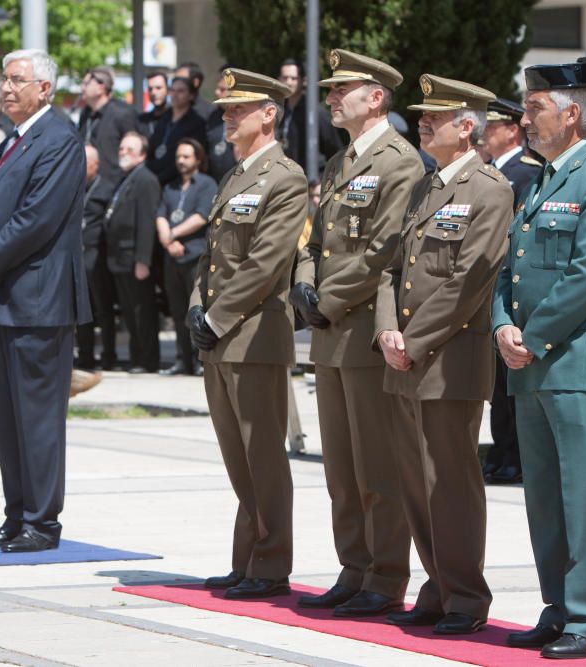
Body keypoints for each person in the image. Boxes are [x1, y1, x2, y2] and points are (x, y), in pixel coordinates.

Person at [493, 56, 586, 659]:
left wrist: (532, 336)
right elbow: (513, 268)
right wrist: (502, 323)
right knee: (545, 498)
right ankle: (559, 606)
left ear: (573, 113)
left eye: (534, 108)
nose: (524, 118)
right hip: (533, 364)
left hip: (579, 363)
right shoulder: (543, 178)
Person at [375, 74, 511, 634]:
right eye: (423, 116)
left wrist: (415, 339)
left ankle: (466, 597)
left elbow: (470, 279)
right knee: (414, 480)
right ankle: (438, 583)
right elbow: (391, 269)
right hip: (404, 355)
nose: (424, 123)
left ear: (467, 127)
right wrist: (387, 331)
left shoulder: (490, 189)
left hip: (449, 357)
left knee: (449, 481)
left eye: (437, 117)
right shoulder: (424, 188)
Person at [290, 49, 422, 616]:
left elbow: (384, 253)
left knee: (377, 467)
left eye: (341, 88)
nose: (330, 97)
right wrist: (302, 282)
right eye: (328, 89)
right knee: (341, 468)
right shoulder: (339, 162)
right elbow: (315, 241)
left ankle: (385, 576)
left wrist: (328, 297)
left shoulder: (400, 162)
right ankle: (354, 566)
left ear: (375, 98)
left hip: (366, 330)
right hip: (328, 333)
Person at [0, 49, 90, 553]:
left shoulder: (57, 140)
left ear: (45, 90)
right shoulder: (13, 140)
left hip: (37, 299)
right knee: (8, 418)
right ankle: (16, 515)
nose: (7, 88)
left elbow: (34, 220)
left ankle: (41, 521)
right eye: (4, 79)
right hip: (1, 297)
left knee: (37, 418)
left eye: (18, 80)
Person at [189, 68, 307, 599]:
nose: (228, 116)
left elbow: (265, 263)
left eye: (240, 108)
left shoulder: (284, 177)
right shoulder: (233, 176)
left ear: (269, 113)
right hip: (219, 337)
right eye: (226, 109)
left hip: (255, 335)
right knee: (238, 458)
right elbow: (213, 259)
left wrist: (214, 318)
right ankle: (247, 558)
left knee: (263, 456)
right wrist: (197, 308)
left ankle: (271, 562)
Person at [480, 98, 542, 485]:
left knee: (513, 383)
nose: (483, 133)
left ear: (511, 131)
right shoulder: (489, 172)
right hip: (494, 291)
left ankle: (515, 455)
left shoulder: (524, 172)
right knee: (497, 386)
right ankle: (500, 450)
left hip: (515, 290)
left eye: (491, 127)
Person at [156, 138, 216, 376]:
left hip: (195, 256)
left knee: (198, 309)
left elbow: (202, 216)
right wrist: (167, 240)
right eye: (178, 156)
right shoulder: (170, 187)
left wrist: (172, 234)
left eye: (186, 157)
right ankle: (183, 359)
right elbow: (160, 214)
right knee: (178, 309)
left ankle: (201, 359)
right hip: (172, 257)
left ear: (198, 159)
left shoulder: (206, 184)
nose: (181, 161)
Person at [105, 132, 161, 373]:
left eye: (129, 149)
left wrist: (143, 260)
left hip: (134, 258)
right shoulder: (126, 178)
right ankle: (137, 356)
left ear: (142, 154)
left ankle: (147, 359)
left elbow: (146, 222)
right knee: (130, 311)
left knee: (142, 311)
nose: (123, 152)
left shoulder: (145, 179)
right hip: (119, 258)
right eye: (121, 148)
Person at [78, 144, 119, 371]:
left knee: (103, 308)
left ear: (95, 164)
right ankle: (85, 355)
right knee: (82, 309)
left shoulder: (106, 188)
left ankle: (109, 354)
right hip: (78, 252)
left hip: (97, 253)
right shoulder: (76, 186)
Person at [276, 58, 344, 174]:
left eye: (294, 78)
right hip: (287, 179)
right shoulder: (278, 111)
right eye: (285, 78)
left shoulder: (316, 112)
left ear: (304, 81)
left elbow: (335, 149)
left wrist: (322, 181)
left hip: (313, 182)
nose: (288, 82)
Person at [77, 66, 139, 184]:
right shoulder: (85, 113)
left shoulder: (121, 114)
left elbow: (132, 151)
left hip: (112, 184)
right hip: (88, 185)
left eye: (86, 84)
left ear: (101, 88)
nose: (82, 88)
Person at [147, 77, 207, 186]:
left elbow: (193, 156)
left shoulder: (196, 122)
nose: (175, 95)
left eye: (180, 91)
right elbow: (152, 147)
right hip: (154, 178)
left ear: (191, 95)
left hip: (177, 182)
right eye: (172, 90)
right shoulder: (164, 117)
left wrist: (159, 178)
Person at [205, 67, 238, 183]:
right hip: (214, 181)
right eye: (217, 88)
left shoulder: (244, 117)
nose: (216, 92)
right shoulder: (213, 116)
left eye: (222, 89)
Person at [138, 71, 170, 138]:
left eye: (158, 88)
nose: (153, 92)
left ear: (168, 90)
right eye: (150, 89)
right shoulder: (142, 121)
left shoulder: (176, 119)